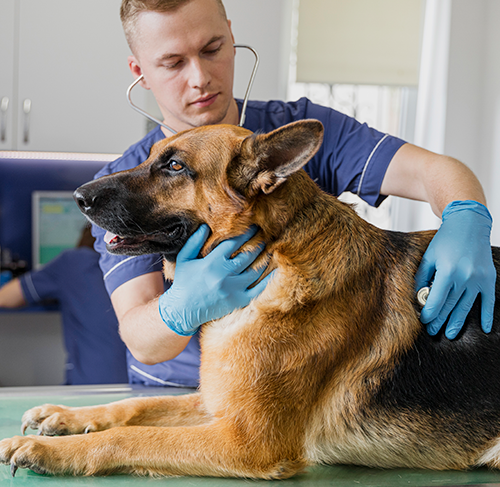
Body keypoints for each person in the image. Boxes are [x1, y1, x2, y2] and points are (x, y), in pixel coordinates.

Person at [92, 0, 496, 387]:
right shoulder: (121, 189)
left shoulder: (293, 134)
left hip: (296, 381)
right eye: (173, 63)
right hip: (177, 393)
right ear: (140, 72)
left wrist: (465, 219)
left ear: (231, 38)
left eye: (212, 48)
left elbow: (436, 171)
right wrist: (180, 306)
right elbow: (142, 340)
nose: (199, 77)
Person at [0, 225, 128, 385]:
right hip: (144, 387)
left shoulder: (74, 262)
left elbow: (5, 297)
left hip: (90, 390)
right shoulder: (144, 267)